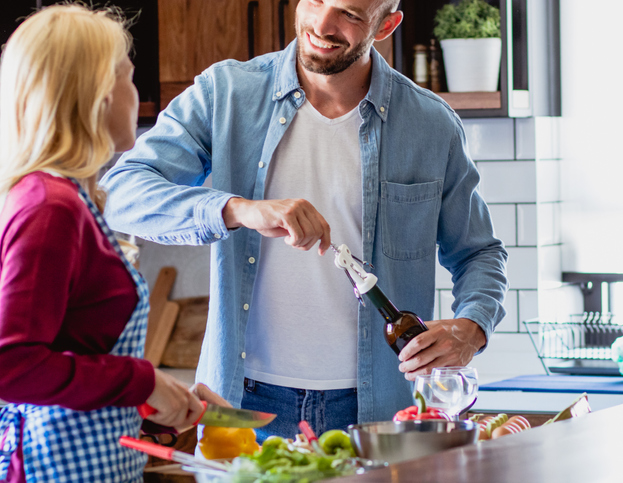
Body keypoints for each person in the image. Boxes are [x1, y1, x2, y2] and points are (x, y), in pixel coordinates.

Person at [100, 0, 508, 441]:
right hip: (243, 405)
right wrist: (238, 208)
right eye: (315, 1)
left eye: (350, 15)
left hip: (379, 410)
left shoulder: (430, 124)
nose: (322, 24)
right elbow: (122, 194)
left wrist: (473, 327)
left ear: (386, 25)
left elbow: (479, 252)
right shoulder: (226, 93)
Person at [0, 5, 227, 482]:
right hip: (54, 469)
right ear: (97, 94)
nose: (136, 93)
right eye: (127, 76)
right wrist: (143, 380)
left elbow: (75, 350)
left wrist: (156, 397)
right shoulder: (50, 208)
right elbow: (11, 364)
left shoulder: (70, 200)